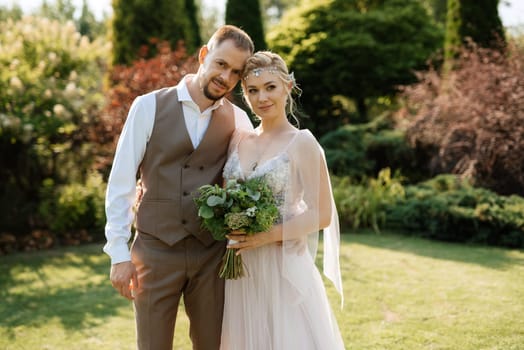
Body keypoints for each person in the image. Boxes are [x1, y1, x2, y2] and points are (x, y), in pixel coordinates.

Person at [103, 25, 254, 350]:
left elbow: (247, 181)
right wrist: (118, 252)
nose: (225, 77)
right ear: (203, 55)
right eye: (221, 64)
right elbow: (121, 182)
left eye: (235, 72)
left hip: (210, 255)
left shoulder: (239, 119)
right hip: (155, 252)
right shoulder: (148, 107)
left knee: (212, 344)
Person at [220, 51, 345, 349]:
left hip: (282, 268)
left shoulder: (302, 142)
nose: (262, 97)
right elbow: (224, 197)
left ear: (288, 87)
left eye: (270, 87)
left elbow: (322, 213)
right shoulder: (238, 139)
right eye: (252, 90)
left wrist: (266, 236)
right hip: (240, 269)